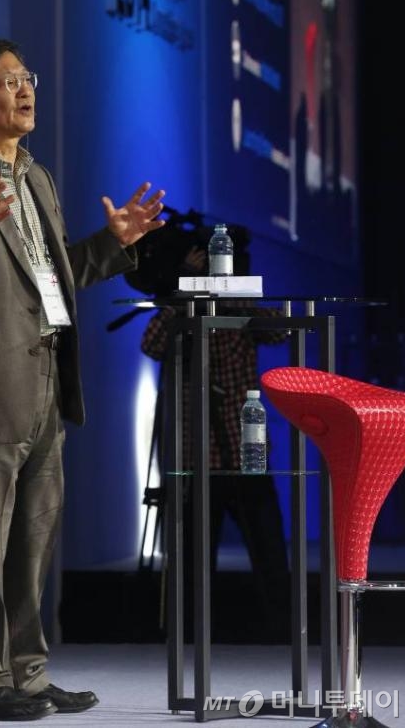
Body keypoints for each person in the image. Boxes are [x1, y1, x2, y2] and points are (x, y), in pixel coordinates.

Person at [0, 38, 165, 721]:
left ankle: (26, 674)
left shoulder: (37, 179)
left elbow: (54, 280)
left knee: (33, 542)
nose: (26, 90)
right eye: (9, 81)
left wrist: (113, 244)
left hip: (46, 380)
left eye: (28, 78)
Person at [140, 244, 290, 641]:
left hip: (245, 451)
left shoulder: (239, 309)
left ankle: (284, 631)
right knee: (193, 558)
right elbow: (151, 344)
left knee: (270, 551)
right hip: (197, 454)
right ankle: (189, 636)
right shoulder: (184, 312)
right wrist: (183, 292)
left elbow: (282, 328)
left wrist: (236, 297)